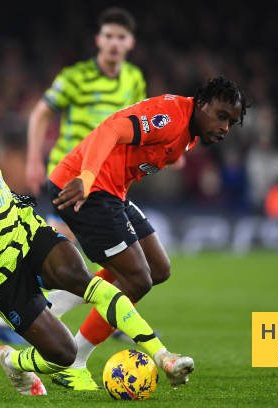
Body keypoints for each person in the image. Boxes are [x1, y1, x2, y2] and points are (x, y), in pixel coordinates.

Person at [0, 79, 194, 396]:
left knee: (90, 282)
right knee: (63, 354)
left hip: (29, 235)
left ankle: (163, 356)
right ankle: (14, 360)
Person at [45, 77, 250, 390]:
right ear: (202, 103)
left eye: (232, 123)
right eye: (221, 116)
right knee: (137, 279)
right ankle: (74, 361)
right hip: (85, 188)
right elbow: (110, 130)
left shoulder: (189, 132)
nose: (225, 128)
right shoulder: (170, 118)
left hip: (113, 191)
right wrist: (86, 178)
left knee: (157, 268)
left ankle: (51, 306)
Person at [0, 6, 147, 347]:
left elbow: (135, 130)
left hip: (108, 183)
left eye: (121, 37)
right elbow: (41, 113)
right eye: (109, 36)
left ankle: (107, 316)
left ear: (130, 42)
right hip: (72, 177)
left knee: (95, 254)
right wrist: (33, 159)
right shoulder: (76, 76)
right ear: (98, 40)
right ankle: (26, 315)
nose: (114, 43)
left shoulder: (133, 79)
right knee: (83, 252)